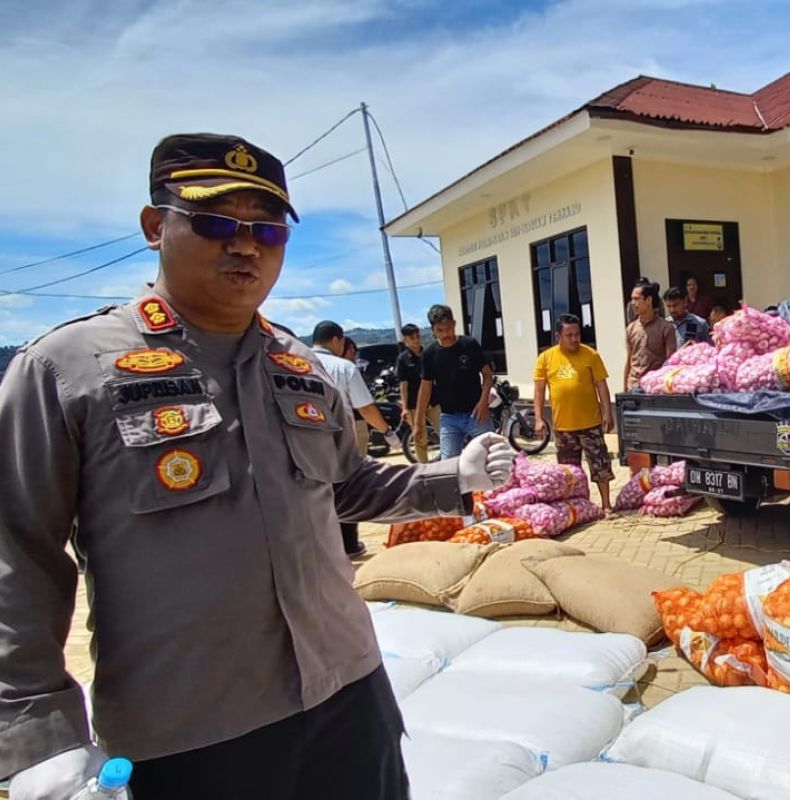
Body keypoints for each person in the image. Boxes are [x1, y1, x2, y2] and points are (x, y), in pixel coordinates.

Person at [0, 132, 516, 800]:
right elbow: (17, 550)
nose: (246, 244)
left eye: (268, 229)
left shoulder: (300, 367)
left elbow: (347, 485)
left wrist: (454, 479)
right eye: (217, 222)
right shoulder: (67, 370)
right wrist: (39, 732)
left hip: (347, 691)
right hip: (193, 729)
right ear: (156, 226)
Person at [311, 320, 399, 557]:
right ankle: (349, 545)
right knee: (347, 491)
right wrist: (387, 432)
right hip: (340, 442)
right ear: (337, 340)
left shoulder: (296, 365)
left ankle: (323, 550)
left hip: (306, 444)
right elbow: (366, 408)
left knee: (316, 495)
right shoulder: (344, 367)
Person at [533, 314, 616, 512]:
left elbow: (601, 386)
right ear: (558, 336)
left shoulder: (590, 355)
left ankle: (606, 505)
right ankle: (580, 507)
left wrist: (608, 413)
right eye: (569, 335)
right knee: (570, 473)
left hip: (591, 424)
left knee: (600, 466)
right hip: (563, 427)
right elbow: (539, 391)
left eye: (577, 334)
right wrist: (538, 419)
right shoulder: (545, 359)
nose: (574, 339)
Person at [415, 305, 492, 460]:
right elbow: (425, 388)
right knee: (448, 464)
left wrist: (483, 402)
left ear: (454, 324)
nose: (446, 334)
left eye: (448, 329)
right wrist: (418, 421)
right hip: (449, 418)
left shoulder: (469, 345)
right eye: (440, 330)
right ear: (433, 330)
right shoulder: (429, 355)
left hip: (476, 414)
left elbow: (488, 375)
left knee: (491, 457)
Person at [395, 323, 440, 463]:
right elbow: (403, 385)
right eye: (412, 337)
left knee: (445, 431)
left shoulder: (428, 353)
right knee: (420, 438)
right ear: (406, 339)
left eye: (417, 336)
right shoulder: (403, 359)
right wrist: (405, 408)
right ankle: (424, 468)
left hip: (433, 401)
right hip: (414, 404)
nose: (415, 340)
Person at [624, 281, 676, 391]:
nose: (633, 303)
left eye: (637, 299)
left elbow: (670, 362)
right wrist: (624, 390)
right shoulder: (631, 328)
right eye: (632, 299)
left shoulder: (666, 328)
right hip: (634, 385)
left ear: (648, 300)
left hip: (656, 386)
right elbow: (629, 360)